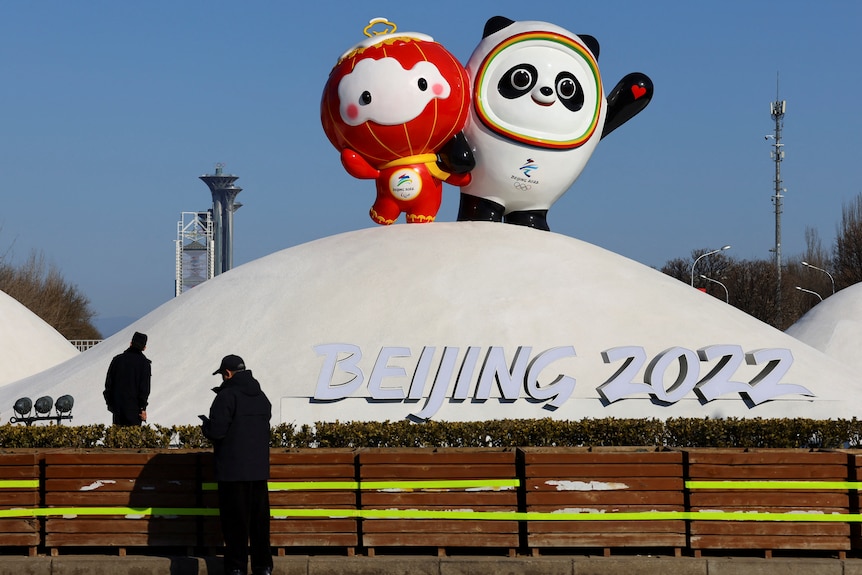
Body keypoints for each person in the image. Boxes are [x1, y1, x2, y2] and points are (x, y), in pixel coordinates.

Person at [200, 354, 273, 575]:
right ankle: (263, 567)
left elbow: (217, 431)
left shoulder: (227, 396)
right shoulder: (261, 396)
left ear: (228, 373)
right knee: (259, 523)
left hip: (232, 471)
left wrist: (205, 425)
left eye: (223, 374)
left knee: (235, 524)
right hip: (258, 471)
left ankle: (236, 568)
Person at [103, 331, 151, 426]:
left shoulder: (117, 360)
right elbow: (144, 389)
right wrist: (142, 408)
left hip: (117, 409)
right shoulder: (145, 364)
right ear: (144, 348)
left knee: (117, 438)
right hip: (135, 410)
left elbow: (108, 385)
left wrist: (111, 404)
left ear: (130, 343)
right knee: (132, 438)